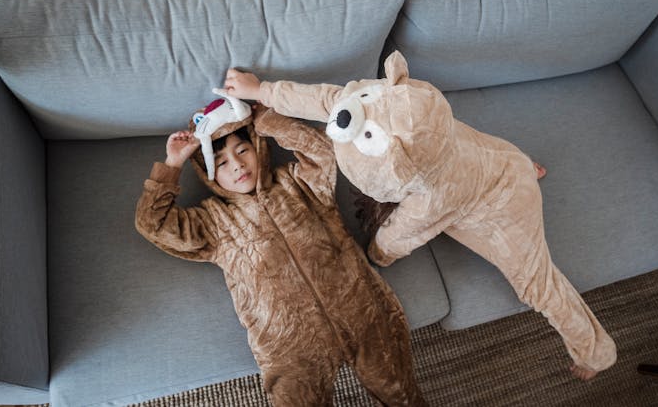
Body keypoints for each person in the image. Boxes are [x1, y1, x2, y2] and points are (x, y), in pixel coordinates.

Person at [224, 64, 615, 382]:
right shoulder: (383, 97)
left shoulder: (430, 197)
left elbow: (401, 236)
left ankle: (596, 353)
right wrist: (261, 91)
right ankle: (524, 166)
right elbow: (324, 98)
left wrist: (377, 253)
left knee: (536, 283)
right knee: (484, 148)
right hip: (490, 154)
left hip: (501, 205)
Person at [135, 96, 427, 406]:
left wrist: (269, 122)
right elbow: (153, 224)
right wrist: (173, 165)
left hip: (360, 307)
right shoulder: (213, 221)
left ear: (259, 149)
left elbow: (321, 152)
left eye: (243, 150)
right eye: (221, 162)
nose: (237, 165)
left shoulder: (295, 182)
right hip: (288, 343)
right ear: (210, 173)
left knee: (403, 395)